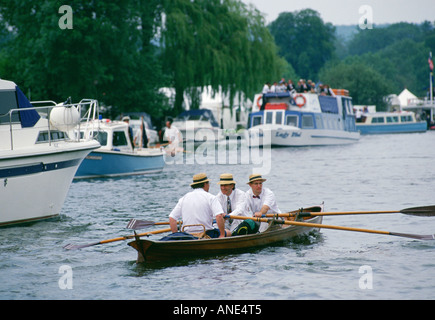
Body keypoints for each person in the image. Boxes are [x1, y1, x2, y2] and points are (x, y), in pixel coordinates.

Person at [169, 173, 226, 238]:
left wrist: (176, 236)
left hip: (187, 235)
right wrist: (222, 235)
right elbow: (219, 216)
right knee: (228, 232)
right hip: (206, 233)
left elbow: (172, 218)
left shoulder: (184, 198)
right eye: (208, 184)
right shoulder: (211, 197)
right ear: (205, 184)